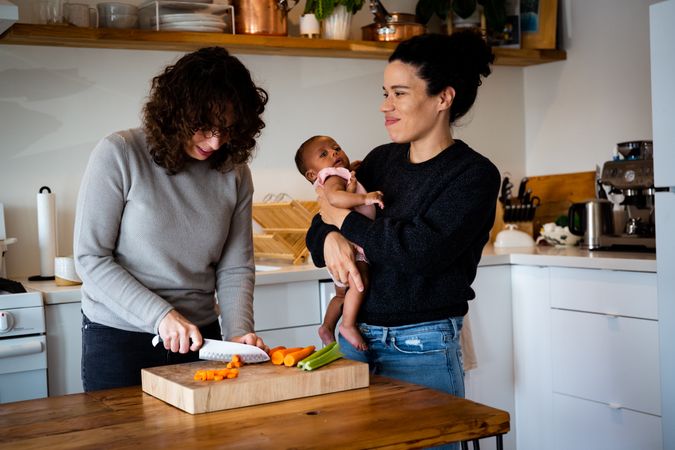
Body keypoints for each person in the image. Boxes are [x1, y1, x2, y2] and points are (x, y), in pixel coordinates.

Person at [305, 30, 500, 400]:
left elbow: (418, 252)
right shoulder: (381, 160)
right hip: (355, 340)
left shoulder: (473, 175)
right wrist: (330, 236)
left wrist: (341, 221)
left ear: (443, 97)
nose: (385, 106)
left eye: (399, 93)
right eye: (385, 94)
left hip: (421, 346)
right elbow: (317, 231)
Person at [74, 47, 270, 392]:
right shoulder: (119, 153)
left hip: (202, 340)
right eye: (204, 126)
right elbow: (91, 258)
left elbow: (236, 266)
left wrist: (239, 333)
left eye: (227, 129)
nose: (215, 141)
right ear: (176, 112)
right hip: (121, 337)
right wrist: (161, 316)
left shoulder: (234, 172)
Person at [295, 135, 384, 350]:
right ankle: (347, 324)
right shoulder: (333, 176)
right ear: (311, 174)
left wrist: (351, 170)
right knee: (360, 281)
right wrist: (365, 198)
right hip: (353, 246)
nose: (334, 153)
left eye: (336, 148)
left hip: (339, 249)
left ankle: (327, 326)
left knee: (341, 294)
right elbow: (335, 198)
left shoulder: (334, 175)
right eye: (324, 154)